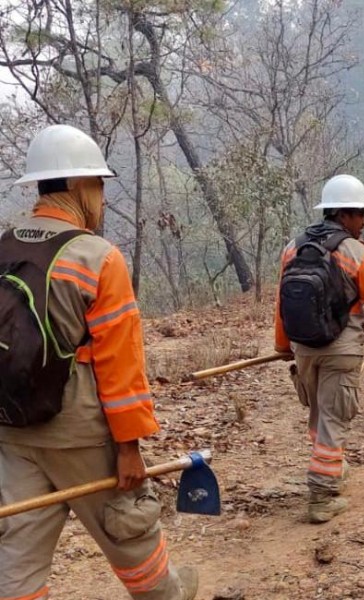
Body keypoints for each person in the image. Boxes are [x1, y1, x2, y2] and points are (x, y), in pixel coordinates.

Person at [0, 124, 197, 600]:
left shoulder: (3, 246)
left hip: (11, 429)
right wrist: (128, 447)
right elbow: (120, 366)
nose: (102, 197)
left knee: (17, 556)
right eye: (98, 184)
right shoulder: (97, 258)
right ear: (75, 186)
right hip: (82, 436)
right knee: (129, 530)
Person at [274, 174, 364, 524]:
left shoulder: (293, 248)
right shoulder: (356, 253)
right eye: (361, 213)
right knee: (334, 418)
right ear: (344, 214)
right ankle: (321, 496)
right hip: (341, 348)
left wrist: (282, 345)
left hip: (303, 347)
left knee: (320, 413)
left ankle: (333, 466)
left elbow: (281, 301)